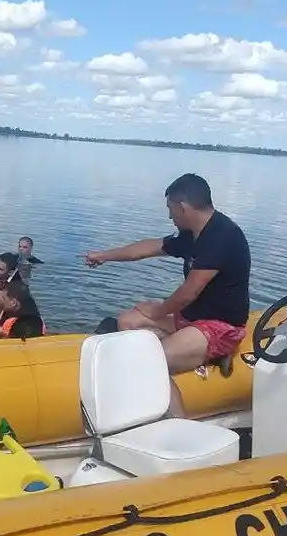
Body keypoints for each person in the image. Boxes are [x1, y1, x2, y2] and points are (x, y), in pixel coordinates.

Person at [83, 173, 252, 416]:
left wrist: (157, 311)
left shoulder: (222, 237)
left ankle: (179, 426)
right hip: (192, 317)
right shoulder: (193, 233)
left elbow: (188, 293)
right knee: (127, 321)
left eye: (171, 209)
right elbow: (148, 248)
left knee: (150, 362)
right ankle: (186, 354)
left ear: (183, 207)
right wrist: (104, 256)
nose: (169, 216)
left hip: (220, 326)